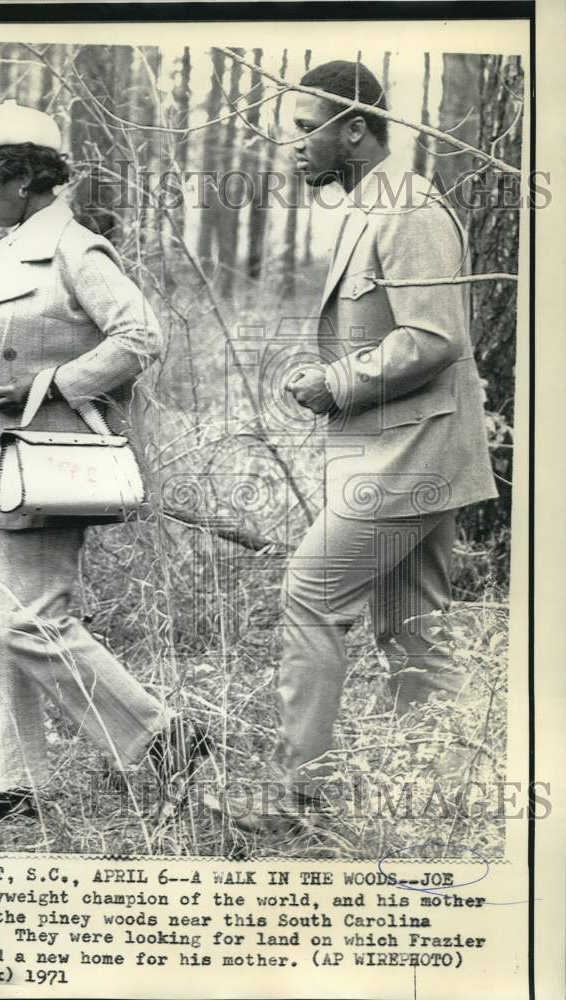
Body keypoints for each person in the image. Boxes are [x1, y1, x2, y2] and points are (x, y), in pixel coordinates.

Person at [0, 100, 208, 831]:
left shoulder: (75, 249)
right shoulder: (6, 255)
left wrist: (55, 385)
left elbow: (140, 337)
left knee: (32, 624)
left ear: (27, 178)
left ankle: (160, 737)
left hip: (48, 468)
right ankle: (11, 782)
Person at [268, 61, 498, 820]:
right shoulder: (372, 204)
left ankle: (298, 793)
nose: (294, 146)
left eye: (307, 130)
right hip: (407, 448)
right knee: (412, 629)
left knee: (309, 592)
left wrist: (338, 382)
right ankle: (447, 795)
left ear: (355, 130)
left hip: (416, 455)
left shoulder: (407, 209)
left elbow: (435, 339)